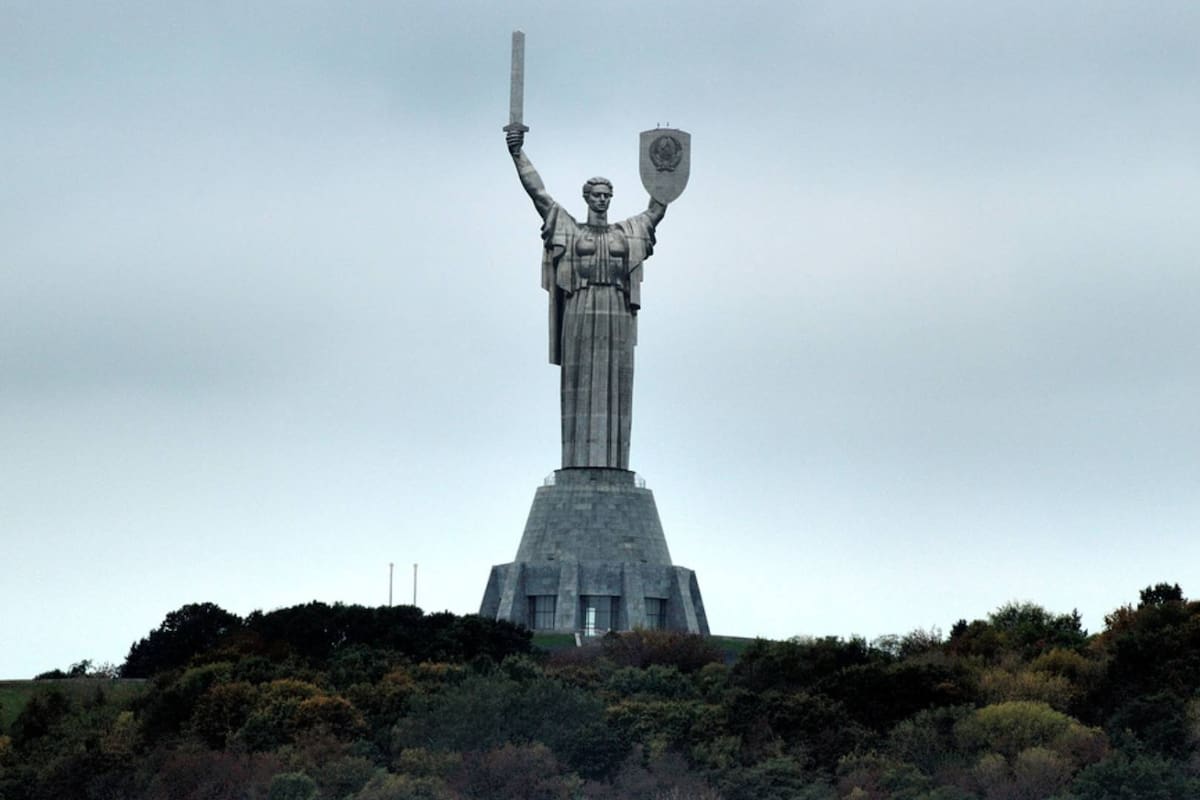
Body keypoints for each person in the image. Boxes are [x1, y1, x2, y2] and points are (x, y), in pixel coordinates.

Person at [507, 128, 668, 470]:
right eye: (596, 195)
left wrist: (665, 173)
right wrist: (518, 155)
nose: (602, 200)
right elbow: (539, 195)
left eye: (606, 195)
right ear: (586, 198)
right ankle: (578, 462)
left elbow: (656, 210)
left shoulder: (627, 232)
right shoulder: (571, 230)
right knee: (579, 382)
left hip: (615, 308)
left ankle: (613, 464)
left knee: (617, 384)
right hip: (580, 307)